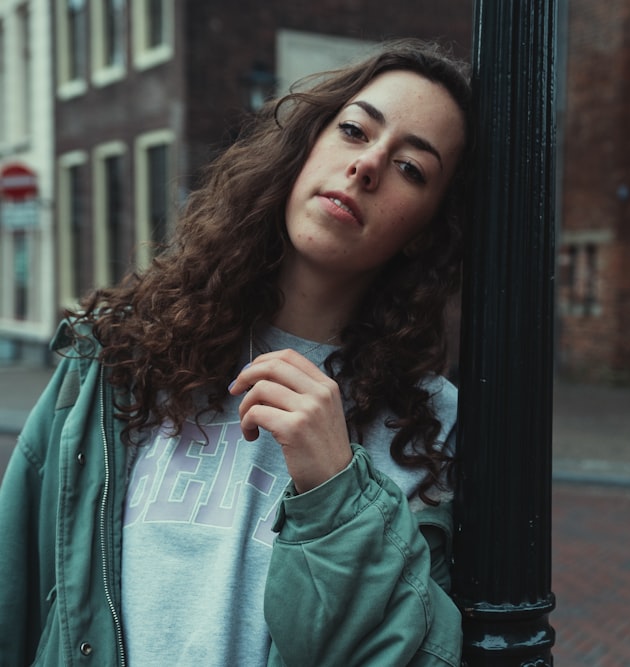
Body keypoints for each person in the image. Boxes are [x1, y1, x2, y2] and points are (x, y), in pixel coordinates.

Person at [0, 39, 472, 666]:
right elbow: (16, 591)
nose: (367, 165)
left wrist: (336, 493)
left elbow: (408, 654)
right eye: (355, 130)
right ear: (307, 146)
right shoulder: (117, 357)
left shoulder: (435, 431)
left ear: (425, 232)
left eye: (412, 168)